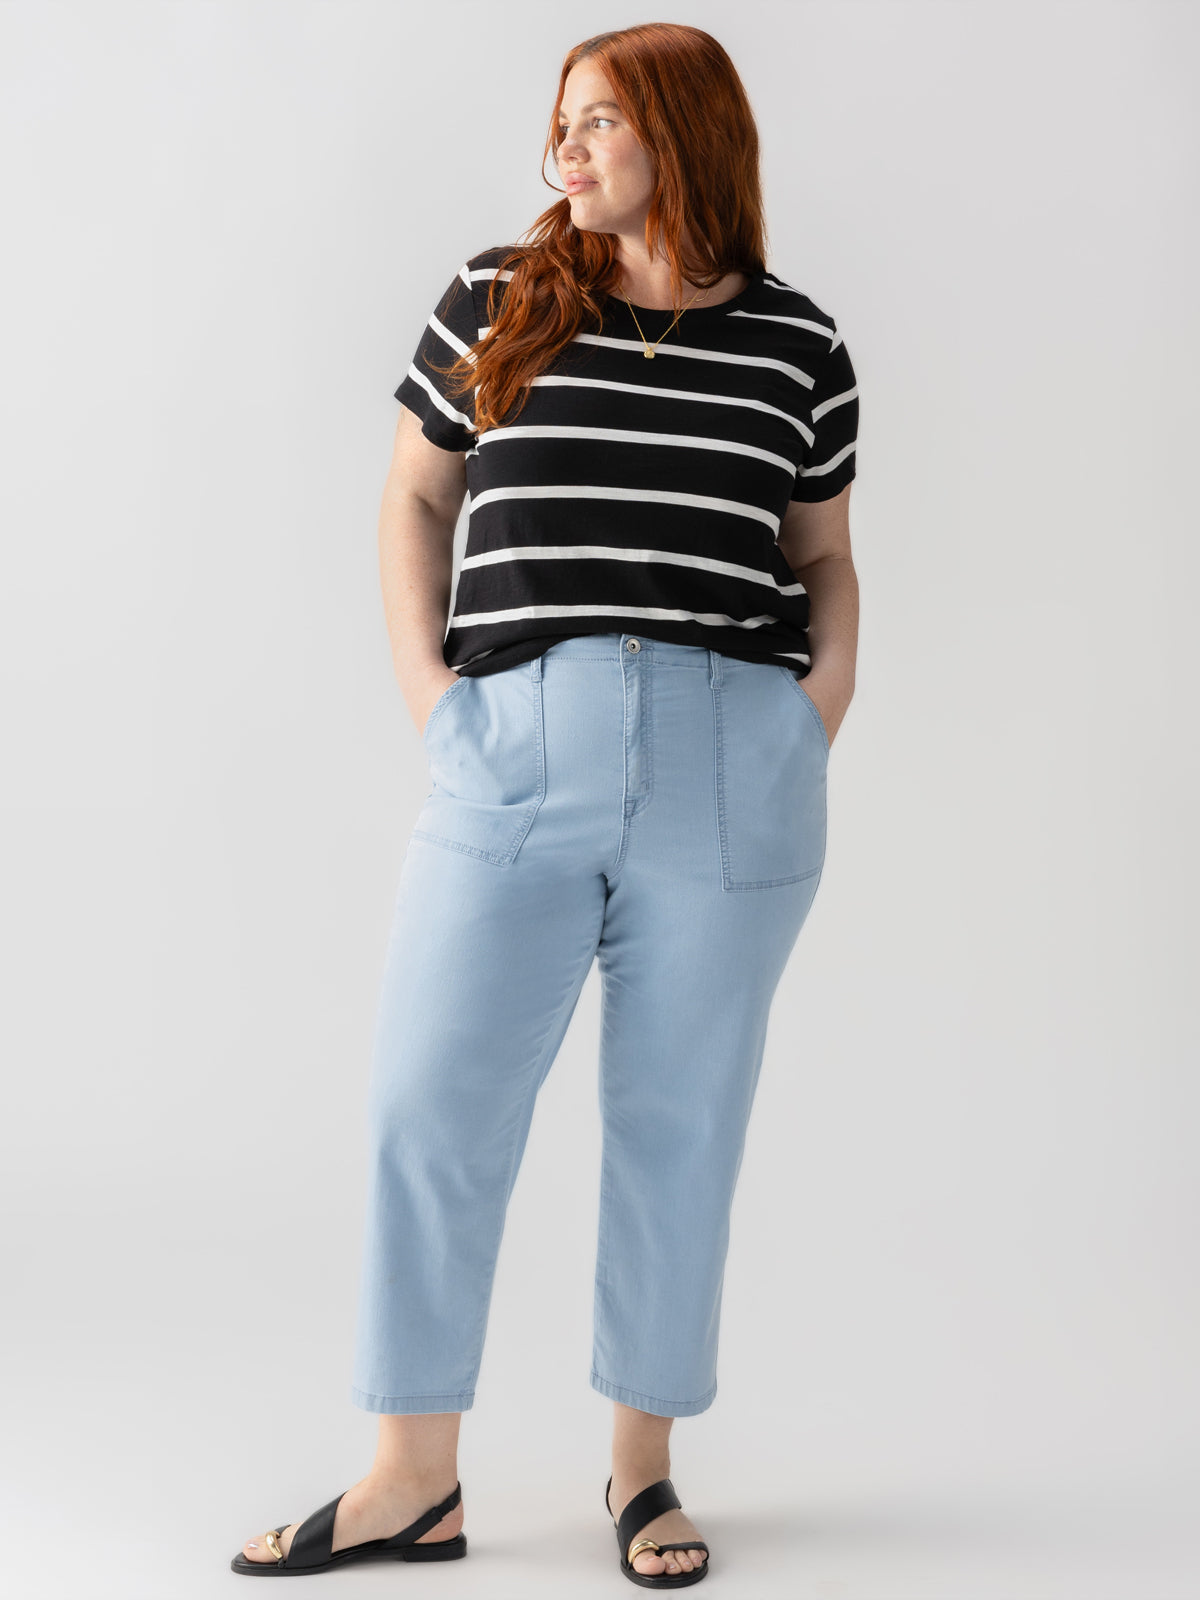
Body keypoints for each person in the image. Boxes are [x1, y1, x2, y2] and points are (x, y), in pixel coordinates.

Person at [232, 20, 860, 1587]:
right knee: (427, 1103)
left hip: (733, 763)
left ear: (686, 131)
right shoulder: (501, 298)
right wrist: (437, 707)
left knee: (679, 1125)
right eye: (559, 124)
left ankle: (642, 1476)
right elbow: (413, 493)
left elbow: (826, 555)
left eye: (596, 124)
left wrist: (811, 717)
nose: (562, 154)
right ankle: (408, 1478)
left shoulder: (801, 348)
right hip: (512, 743)